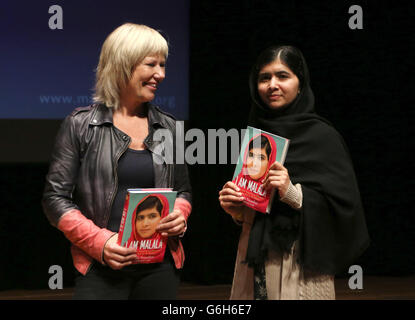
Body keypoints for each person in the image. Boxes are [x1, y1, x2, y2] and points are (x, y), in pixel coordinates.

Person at [42, 23, 192, 300]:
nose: (161, 74)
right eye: (151, 64)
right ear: (124, 64)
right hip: (100, 269)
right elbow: (55, 199)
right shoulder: (80, 124)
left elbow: (183, 191)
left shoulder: (169, 127)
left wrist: (179, 217)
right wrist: (101, 242)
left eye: (163, 65)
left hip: (159, 268)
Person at [219, 45, 369, 300]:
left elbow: (344, 209)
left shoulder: (322, 137)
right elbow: (256, 206)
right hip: (254, 260)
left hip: (299, 264)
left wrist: (291, 192)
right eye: (264, 78)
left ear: (300, 84)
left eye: (283, 76)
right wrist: (236, 209)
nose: (272, 85)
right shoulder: (256, 136)